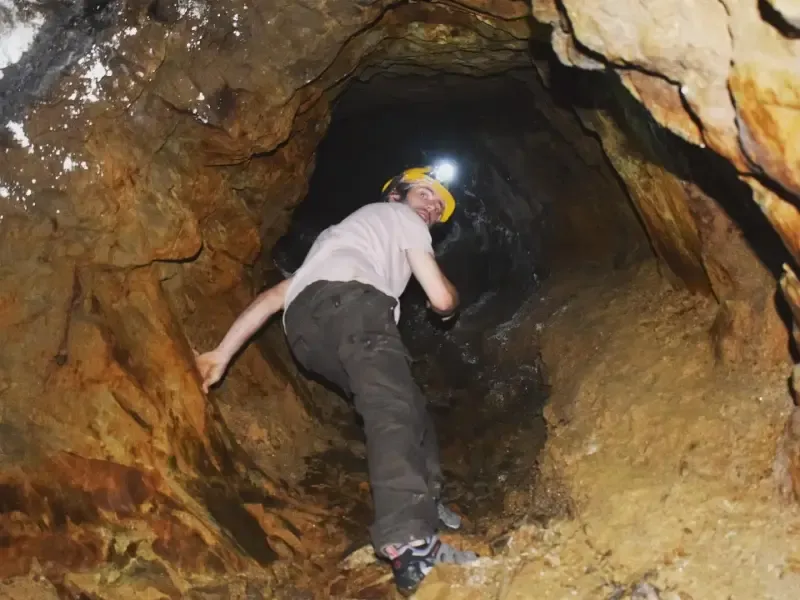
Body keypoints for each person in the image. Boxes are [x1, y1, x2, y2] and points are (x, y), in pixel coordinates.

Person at [194, 165, 479, 595]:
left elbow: (273, 297)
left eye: (438, 207)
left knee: (405, 405)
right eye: (424, 195)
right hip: (354, 308)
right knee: (392, 409)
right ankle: (410, 543)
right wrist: (452, 305)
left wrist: (221, 354)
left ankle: (427, 500)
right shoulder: (402, 220)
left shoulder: (336, 240)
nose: (432, 208)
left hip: (308, 337)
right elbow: (439, 298)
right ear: (395, 197)